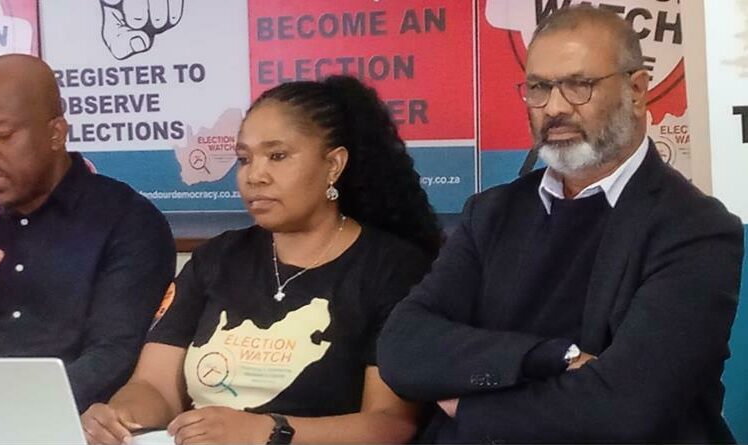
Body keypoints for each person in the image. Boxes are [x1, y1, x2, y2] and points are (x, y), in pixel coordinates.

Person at [377, 5, 744, 444]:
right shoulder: (490, 213)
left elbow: (624, 409)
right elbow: (402, 348)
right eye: (539, 88)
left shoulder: (696, 229)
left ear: (638, 91)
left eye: (578, 86)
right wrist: (549, 357)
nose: (554, 108)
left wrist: (471, 406)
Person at [81, 75, 442, 444]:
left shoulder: (393, 269)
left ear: (333, 164)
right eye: (244, 159)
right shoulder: (217, 258)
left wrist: (269, 432)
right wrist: (120, 417)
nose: (255, 175)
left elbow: (390, 426)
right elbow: (153, 386)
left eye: (278, 156)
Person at [0, 54, 176, 412]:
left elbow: (114, 355)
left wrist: (16, 413)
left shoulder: (127, 221)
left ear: (55, 133)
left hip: (62, 422)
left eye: (4, 135)